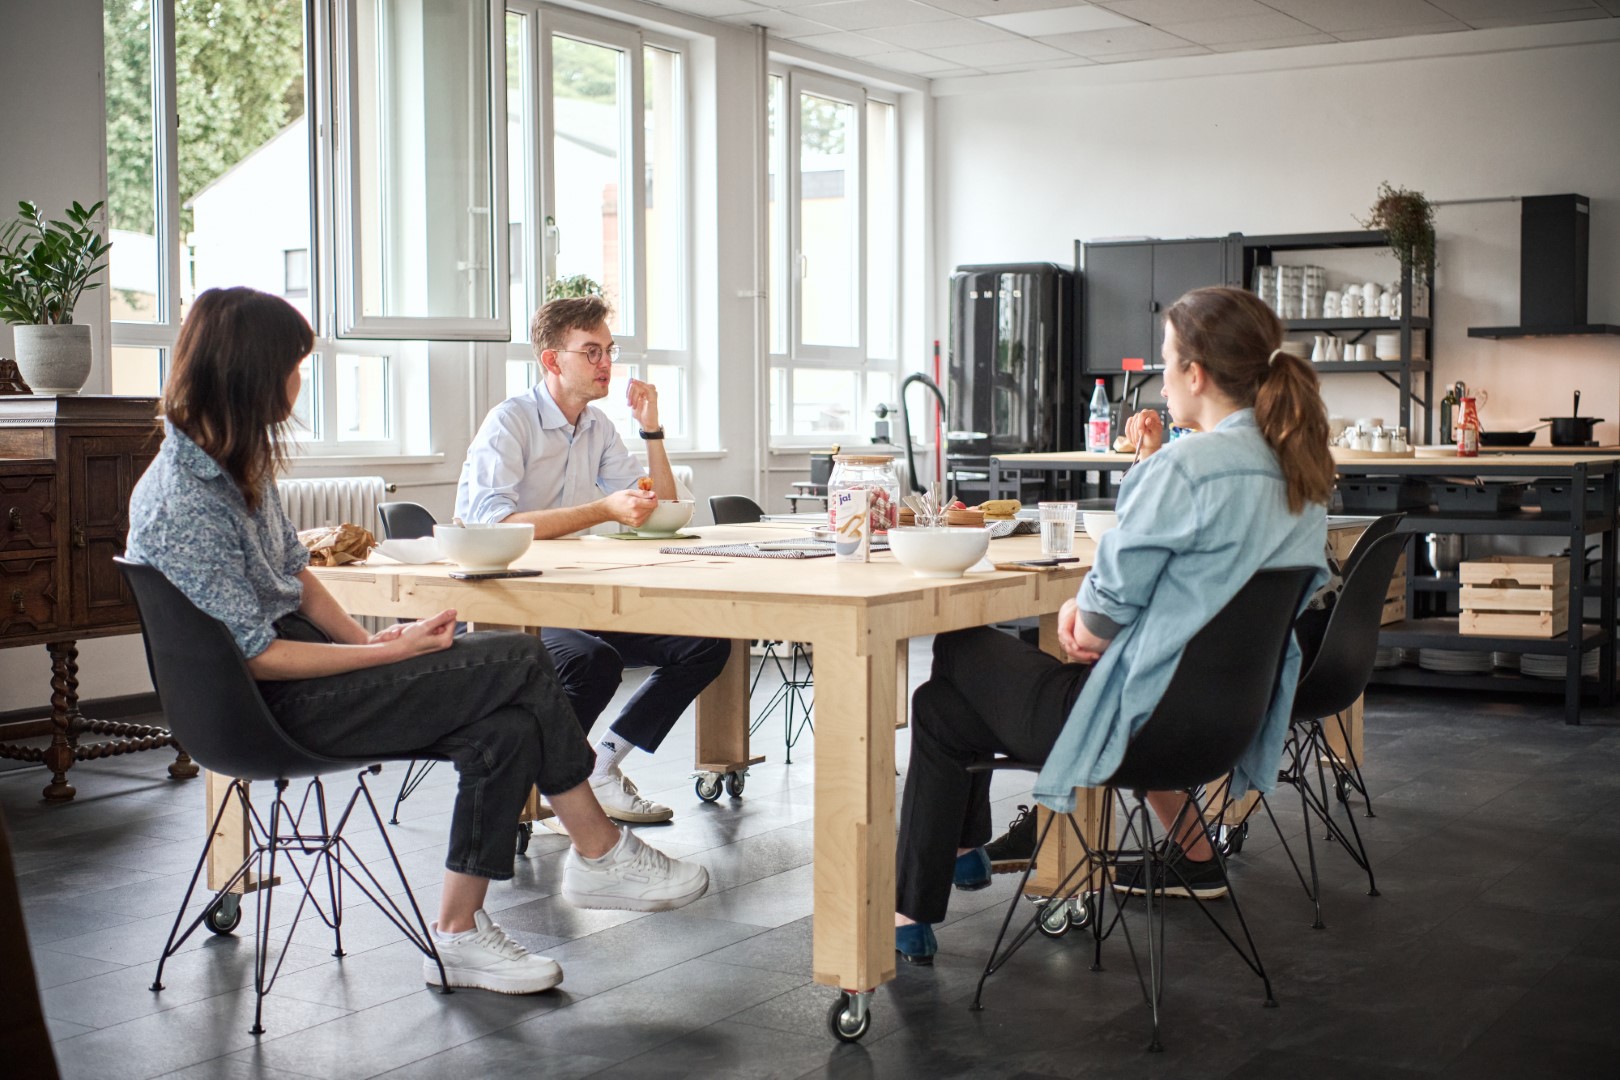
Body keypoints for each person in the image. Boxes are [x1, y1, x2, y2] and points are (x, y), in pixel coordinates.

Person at [126, 287, 708, 996]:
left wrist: (381, 637)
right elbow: (256, 655)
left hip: (308, 675)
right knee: (523, 657)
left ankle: (460, 934)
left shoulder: (235, 469)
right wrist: (379, 655)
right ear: (249, 372)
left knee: (507, 725)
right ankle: (599, 847)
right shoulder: (183, 495)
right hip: (268, 705)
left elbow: (299, 580)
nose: (299, 382)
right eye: (293, 366)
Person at [893, 286, 1333, 964]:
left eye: (1166, 360)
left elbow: (1093, 629)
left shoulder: (1184, 469)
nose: (1162, 378)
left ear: (1197, 373)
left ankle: (940, 877)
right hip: (1228, 730)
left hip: (1133, 723)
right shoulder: (1302, 478)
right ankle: (935, 884)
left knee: (958, 646)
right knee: (940, 711)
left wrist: (1072, 612)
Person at [455, 295, 729, 825]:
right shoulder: (510, 422)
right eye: (591, 352)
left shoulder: (597, 426)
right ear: (552, 361)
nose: (606, 364)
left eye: (609, 351)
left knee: (706, 640)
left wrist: (651, 430)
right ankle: (545, 782)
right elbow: (495, 526)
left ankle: (598, 768)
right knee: (591, 660)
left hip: (575, 597)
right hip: (509, 603)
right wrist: (602, 509)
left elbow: (659, 514)